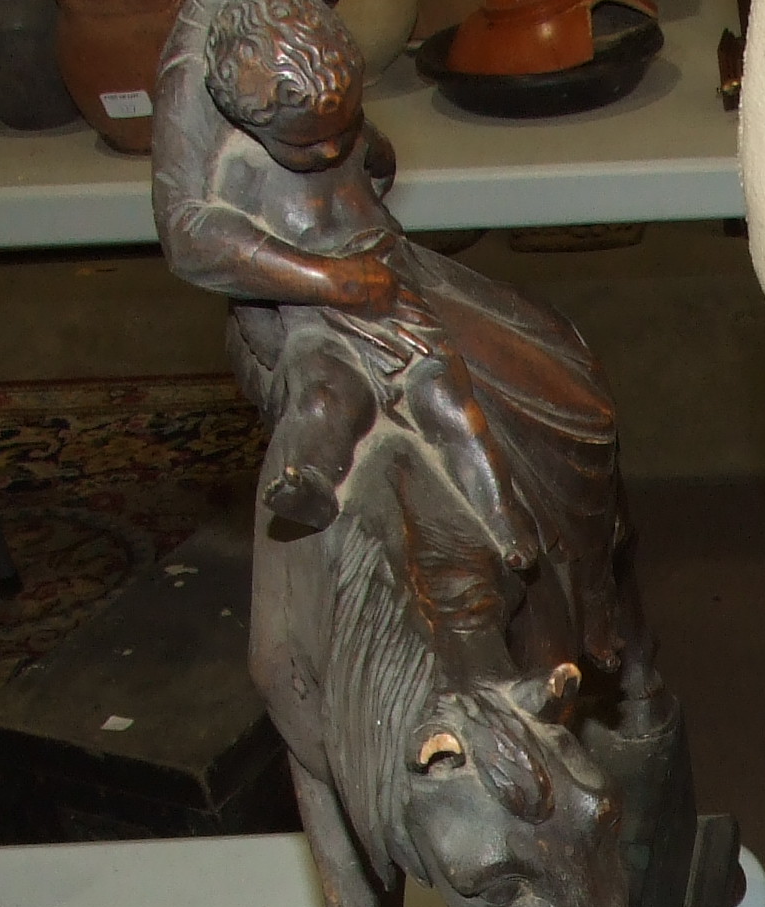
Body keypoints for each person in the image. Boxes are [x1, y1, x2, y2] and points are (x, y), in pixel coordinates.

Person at [153, 0, 536, 566]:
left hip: (390, 290)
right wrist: (325, 280)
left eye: (341, 131)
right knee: (327, 396)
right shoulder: (241, 166)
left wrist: (366, 164)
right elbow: (196, 235)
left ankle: (502, 514)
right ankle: (308, 480)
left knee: (448, 399)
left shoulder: (337, 126)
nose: (330, 150)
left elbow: (378, 166)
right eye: (308, 146)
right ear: (251, 124)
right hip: (310, 313)